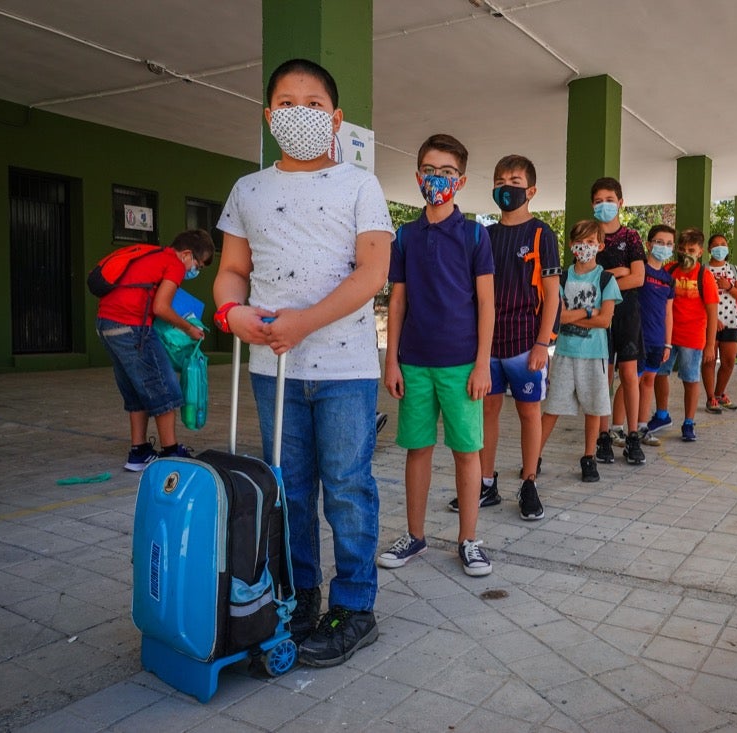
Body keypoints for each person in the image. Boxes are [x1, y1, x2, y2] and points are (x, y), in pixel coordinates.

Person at [214, 58, 394, 667]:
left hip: (344, 369)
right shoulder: (249, 189)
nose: (300, 114)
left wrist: (302, 322)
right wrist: (230, 313)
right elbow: (232, 272)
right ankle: (301, 597)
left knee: (347, 489)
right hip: (274, 371)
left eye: (313, 104)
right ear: (269, 117)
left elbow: (373, 273)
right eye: (286, 103)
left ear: (336, 119)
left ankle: (355, 608)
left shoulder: (359, 185)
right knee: (288, 490)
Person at [378, 133, 495, 577]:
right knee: (418, 449)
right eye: (430, 170)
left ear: (460, 181)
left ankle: (469, 540)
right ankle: (415, 535)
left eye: (446, 172)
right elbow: (399, 302)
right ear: (417, 176)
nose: (437, 179)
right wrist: (392, 360)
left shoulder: (474, 235)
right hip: (415, 364)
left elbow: (487, 304)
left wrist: (483, 362)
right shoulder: (404, 236)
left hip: (463, 365)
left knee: (467, 452)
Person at [467, 154, 560, 521]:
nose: (507, 186)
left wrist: (542, 344)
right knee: (487, 411)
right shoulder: (484, 235)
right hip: (488, 345)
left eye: (516, 181)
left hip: (526, 345)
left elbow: (552, 293)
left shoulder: (542, 234)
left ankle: (529, 483)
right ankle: (485, 484)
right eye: (501, 179)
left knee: (528, 413)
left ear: (531, 190)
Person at [97, 229, 212, 471]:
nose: (195, 270)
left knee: (136, 391)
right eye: (198, 265)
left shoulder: (152, 254)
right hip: (132, 326)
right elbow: (161, 307)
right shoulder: (174, 264)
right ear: (187, 254)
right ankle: (171, 452)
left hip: (106, 325)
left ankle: (138, 453)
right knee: (165, 388)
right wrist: (189, 328)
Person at [539, 220, 621, 482]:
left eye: (590, 242)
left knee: (594, 408)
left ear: (600, 244)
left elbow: (604, 320)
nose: (585, 247)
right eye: (580, 242)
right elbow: (557, 317)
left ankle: (589, 457)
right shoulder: (562, 277)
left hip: (594, 355)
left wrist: (572, 315)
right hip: (564, 353)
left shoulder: (606, 279)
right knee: (552, 408)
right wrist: (587, 311)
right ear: (572, 246)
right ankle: (534, 456)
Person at [591, 178, 647, 464]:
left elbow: (639, 277)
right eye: (599, 200)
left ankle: (633, 435)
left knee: (628, 376)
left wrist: (608, 279)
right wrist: (619, 272)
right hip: (600, 316)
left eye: (610, 199)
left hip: (628, 314)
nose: (605, 205)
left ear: (621, 202)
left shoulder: (632, 237)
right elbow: (587, 279)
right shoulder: (589, 237)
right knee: (603, 377)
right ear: (592, 205)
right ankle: (602, 437)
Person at [667, 228, 719, 441]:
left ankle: (689, 421)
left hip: (693, 337)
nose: (685, 253)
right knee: (660, 375)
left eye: (691, 249)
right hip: (668, 336)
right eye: (682, 249)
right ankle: (662, 413)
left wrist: (709, 344)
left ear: (699, 252)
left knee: (690, 379)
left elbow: (712, 312)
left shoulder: (704, 276)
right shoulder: (669, 270)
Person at [633, 226, 675, 444]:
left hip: (658, 340)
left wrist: (668, 344)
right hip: (637, 337)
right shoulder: (640, 271)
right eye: (659, 242)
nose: (664, 247)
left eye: (669, 244)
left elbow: (669, 313)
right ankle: (620, 427)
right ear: (649, 244)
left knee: (649, 380)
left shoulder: (668, 279)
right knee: (631, 382)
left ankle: (642, 427)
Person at [702, 234, 737, 412]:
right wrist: (711, 319)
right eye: (716, 245)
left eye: (723, 244)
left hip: (731, 323)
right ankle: (710, 398)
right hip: (708, 324)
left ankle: (720, 394)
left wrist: (728, 286)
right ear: (709, 250)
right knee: (709, 361)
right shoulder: (702, 270)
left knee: (728, 361)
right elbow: (696, 299)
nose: (720, 248)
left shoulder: (734, 270)